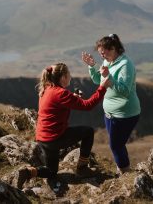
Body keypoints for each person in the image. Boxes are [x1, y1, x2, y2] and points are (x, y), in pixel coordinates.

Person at [16, 62, 111, 189]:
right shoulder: (61, 93)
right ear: (62, 78)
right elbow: (88, 105)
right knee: (88, 132)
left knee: (52, 172)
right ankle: (82, 168)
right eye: (69, 75)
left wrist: (74, 98)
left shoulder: (46, 89)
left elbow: (57, 106)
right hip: (55, 138)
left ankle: (28, 172)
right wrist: (102, 87)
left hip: (43, 139)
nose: (70, 77)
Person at [81, 34, 141, 175]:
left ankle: (125, 174)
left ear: (113, 48)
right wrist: (92, 66)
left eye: (104, 53)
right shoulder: (108, 61)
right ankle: (124, 171)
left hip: (125, 114)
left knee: (115, 145)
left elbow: (124, 91)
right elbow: (98, 80)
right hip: (110, 114)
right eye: (100, 54)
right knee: (117, 144)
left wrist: (109, 77)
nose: (102, 56)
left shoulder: (126, 65)